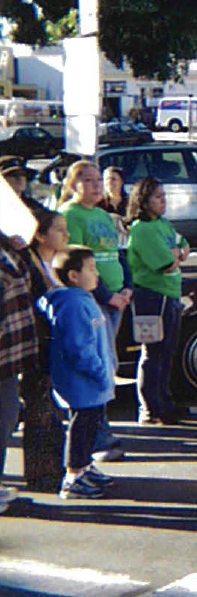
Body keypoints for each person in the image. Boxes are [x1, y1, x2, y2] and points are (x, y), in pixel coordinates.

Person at [58, 161, 132, 460]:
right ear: (73, 185)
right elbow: (75, 262)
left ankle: (101, 428)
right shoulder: (70, 215)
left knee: (109, 363)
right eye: (86, 180)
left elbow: (118, 253)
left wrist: (127, 287)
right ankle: (96, 437)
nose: (94, 185)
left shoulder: (103, 214)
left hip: (116, 299)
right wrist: (105, 295)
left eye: (97, 180)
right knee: (96, 366)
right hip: (96, 301)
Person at [37, 246, 117, 499]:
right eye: (91, 269)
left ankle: (84, 467)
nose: (97, 274)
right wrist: (100, 372)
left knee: (91, 423)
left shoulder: (82, 299)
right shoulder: (71, 304)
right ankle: (74, 477)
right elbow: (78, 348)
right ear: (73, 276)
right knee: (82, 425)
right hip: (83, 380)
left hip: (91, 380)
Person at [126, 177, 189, 425]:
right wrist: (176, 254)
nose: (164, 202)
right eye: (157, 197)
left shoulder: (163, 223)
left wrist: (178, 252)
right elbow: (166, 264)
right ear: (144, 201)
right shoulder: (142, 229)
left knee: (168, 352)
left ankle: (165, 399)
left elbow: (183, 245)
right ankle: (151, 407)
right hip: (152, 296)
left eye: (164, 196)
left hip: (171, 293)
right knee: (154, 353)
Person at [20, 209, 68, 489]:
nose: (66, 235)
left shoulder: (62, 263)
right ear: (39, 234)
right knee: (40, 408)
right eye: (59, 229)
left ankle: (55, 466)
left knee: (54, 410)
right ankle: (40, 473)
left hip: (59, 346)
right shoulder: (30, 265)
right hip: (38, 347)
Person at [0, 230, 38, 512]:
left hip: (8, 355)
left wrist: (21, 251)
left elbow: (29, 279)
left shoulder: (6, 244)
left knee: (7, 416)